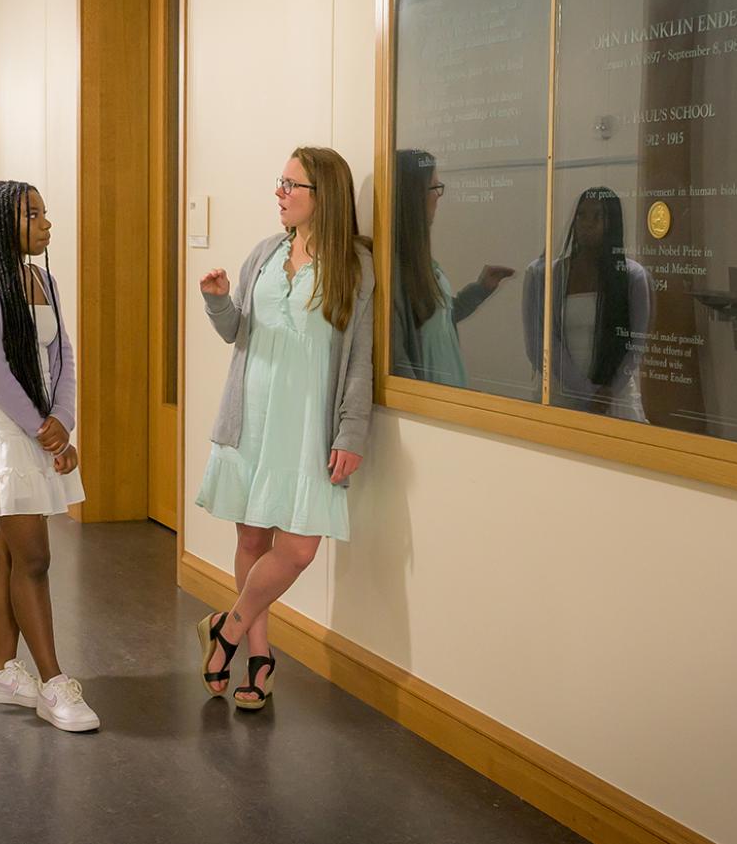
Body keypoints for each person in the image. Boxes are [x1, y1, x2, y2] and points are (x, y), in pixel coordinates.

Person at [194, 146, 375, 711]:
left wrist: (351, 433)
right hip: (255, 417)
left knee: (297, 549)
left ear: (325, 196)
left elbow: (360, 359)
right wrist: (218, 302)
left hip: (307, 429)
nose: (280, 192)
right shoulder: (263, 255)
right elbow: (239, 335)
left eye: (291, 185)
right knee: (253, 539)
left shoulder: (356, 267)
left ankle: (225, 628)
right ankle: (259, 655)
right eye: (280, 183)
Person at [0, 180, 99, 733]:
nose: (46, 223)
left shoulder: (43, 278)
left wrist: (64, 420)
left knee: (11, 557)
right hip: (3, 429)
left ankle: (1, 669)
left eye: (44, 212)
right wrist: (44, 430)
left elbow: (63, 358)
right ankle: (54, 683)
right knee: (34, 559)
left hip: (38, 426)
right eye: (32, 215)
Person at [521, 186, 653, 421]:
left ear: (611, 222)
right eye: (581, 215)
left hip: (614, 395)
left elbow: (636, 344)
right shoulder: (546, 274)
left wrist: (607, 393)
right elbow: (539, 343)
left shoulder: (632, 276)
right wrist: (586, 391)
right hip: (561, 391)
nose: (586, 223)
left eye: (597, 216)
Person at [390, 149, 515, 386]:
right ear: (413, 195)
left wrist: (479, 290)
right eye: (434, 187)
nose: (439, 195)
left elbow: (439, 321)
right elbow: (398, 358)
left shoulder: (422, 263)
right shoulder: (394, 272)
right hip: (425, 411)